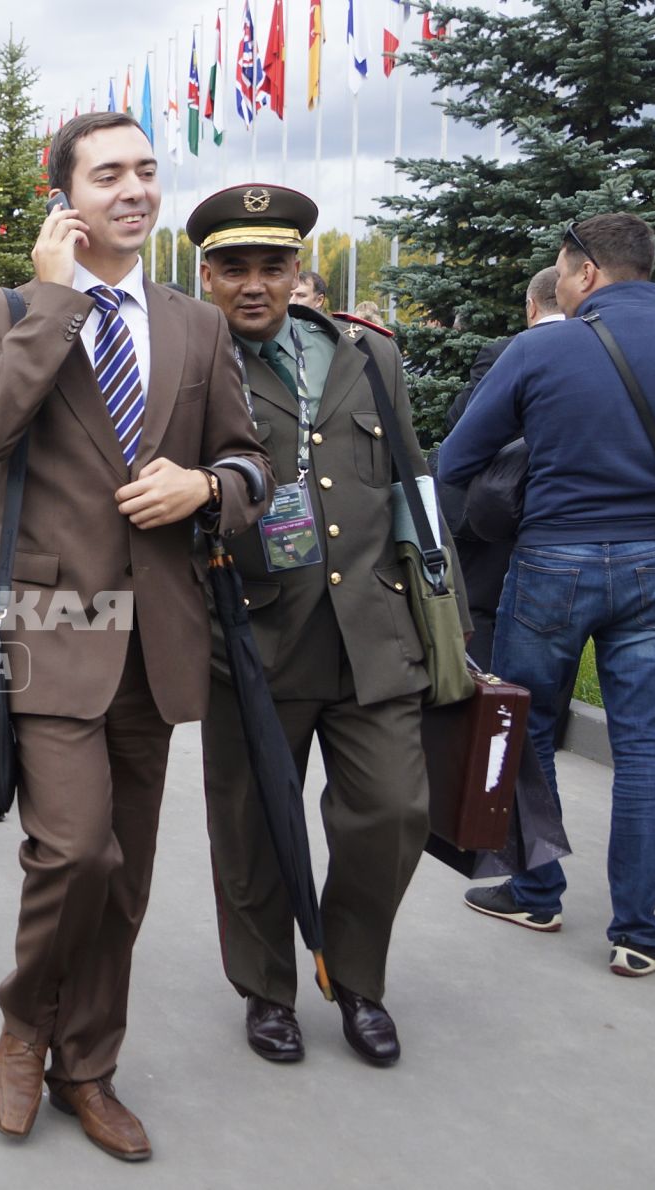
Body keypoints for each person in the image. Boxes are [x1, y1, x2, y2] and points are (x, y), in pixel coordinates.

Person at [0, 112, 270, 1158]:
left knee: (123, 875)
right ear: (64, 197)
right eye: (105, 174)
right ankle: (20, 1023)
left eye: (144, 171)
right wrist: (53, 303)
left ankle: (87, 1062)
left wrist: (205, 486)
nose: (131, 189)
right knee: (75, 850)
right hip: (49, 623)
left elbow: (250, 465)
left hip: (159, 634)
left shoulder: (193, 324)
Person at [190, 184, 466, 1069]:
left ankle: (356, 978)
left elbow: (410, 483)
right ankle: (267, 989)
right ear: (208, 276)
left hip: (373, 632)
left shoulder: (366, 353)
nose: (255, 285)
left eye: (273, 265)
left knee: (392, 812)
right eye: (235, 268)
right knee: (255, 829)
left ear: (298, 269)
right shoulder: (193, 369)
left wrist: (445, 623)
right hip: (254, 639)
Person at [441, 212, 655, 979]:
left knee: (529, 726)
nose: (557, 282)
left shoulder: (541, 348)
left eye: (561, 269)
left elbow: (459, 457)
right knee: (647, 746)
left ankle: (536, 889)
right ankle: (640, 933)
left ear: (586, 272)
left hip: (553, 562)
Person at [440, 265, 563, 666]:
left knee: (481, 606)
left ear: (531, 306)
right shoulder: (604, 348)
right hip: (566, 514)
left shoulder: (507, 350)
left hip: (499, 505)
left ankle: (486, 713)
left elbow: (462, 423)